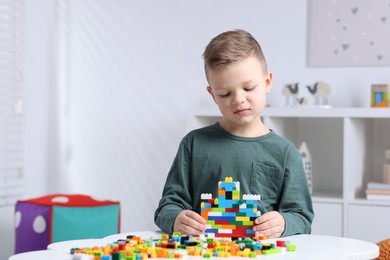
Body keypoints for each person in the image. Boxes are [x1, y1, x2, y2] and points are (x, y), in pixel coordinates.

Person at [154, 29, 314, 238]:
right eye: (225, 93)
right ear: (212, 94)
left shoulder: (285, 153)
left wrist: (283, 223)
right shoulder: (194, 143)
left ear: (267, 82)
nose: (239, 99)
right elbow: (167, 207)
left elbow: (301, 217)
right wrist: (177, 219)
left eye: (248, 88)